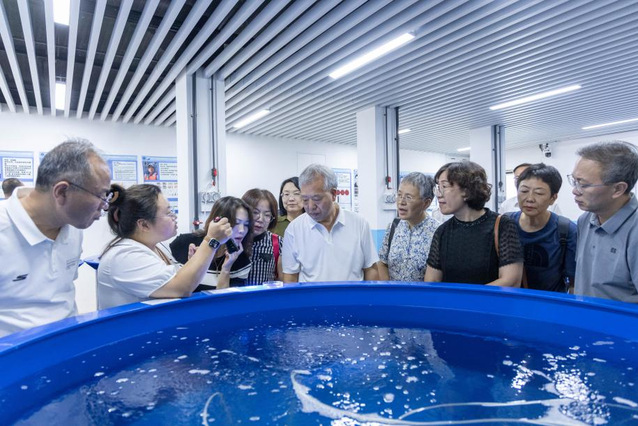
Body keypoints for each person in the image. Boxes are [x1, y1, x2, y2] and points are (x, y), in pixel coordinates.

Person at [0, 139, 111, 337]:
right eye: (101, 196)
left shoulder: (73, 226)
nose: (105, 206)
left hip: (67, 342)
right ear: (61, 192)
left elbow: (63, 292)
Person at [97, 185, 233, 309]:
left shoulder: (155, 247)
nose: (174, 216)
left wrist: (194, 263)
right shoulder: (125, 255)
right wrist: (211, 240)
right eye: (168, 213)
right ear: (144, 224)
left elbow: (174, 281)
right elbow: (181, 288)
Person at [424, 161, 523, 286]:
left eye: (444, 186)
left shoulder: (503, 226)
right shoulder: (442, 231)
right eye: (438, 187)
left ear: (467, 191)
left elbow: (511, 281)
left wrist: (467, 297)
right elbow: (432, 281)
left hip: (489, 299)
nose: (438, 194)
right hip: (452, 299)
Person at [282, 164, 379, 283]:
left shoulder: (359, 224)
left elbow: (370, 269)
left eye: (317, 199)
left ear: (333, 194)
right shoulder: (294, 229)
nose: (310, 206)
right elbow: (290, 276)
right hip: (312, 296)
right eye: (305, 200)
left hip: (352, 295)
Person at [570, 141, 638, 303]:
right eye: (574, 181)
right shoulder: (586, 219)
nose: (575, 190)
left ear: (618, 189)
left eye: (583, 184)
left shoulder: (634, 230)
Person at [505, 164, 577, 292]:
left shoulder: (566, 230)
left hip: (549, 302)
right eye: (524, 191)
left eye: (539, 193)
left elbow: (573, 283)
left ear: (553, 198)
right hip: (509, 299)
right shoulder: (505, 223)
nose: (530, 199)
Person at [170, 197, 253, 289]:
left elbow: (224, 297)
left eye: (246, 224)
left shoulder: (241, 260)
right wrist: (192, 264)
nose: (242, 230)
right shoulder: (183, 243)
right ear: (218, 221)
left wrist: (226, 269)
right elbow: (172, 290)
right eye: (236, 223)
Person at [378, 172, 439, 281]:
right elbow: (382, 262)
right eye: (399, 195)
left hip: (422, 292)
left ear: (426, 203)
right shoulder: (394, 226)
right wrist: (388, 287)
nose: (401, 202)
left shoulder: (438, 232)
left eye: (408, 197)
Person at [242, 188, 283, 284]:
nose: (260, 219)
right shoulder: (234, 240)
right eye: (255, 212)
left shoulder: (278, 242)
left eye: (267, 215)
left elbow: (282, 281)